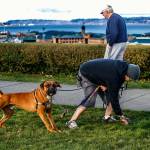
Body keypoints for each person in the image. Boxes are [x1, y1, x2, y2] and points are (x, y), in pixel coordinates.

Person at [66, 58, 140, 129]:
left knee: (114, 97)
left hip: (97, 75)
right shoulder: (115, 76)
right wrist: (121, 115)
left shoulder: (121, 70)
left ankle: (107, 117)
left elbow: (112, 89)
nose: (130, 80)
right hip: (86, 73)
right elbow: (113, 97)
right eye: (130, 78)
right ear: (127, 74)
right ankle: (71, 121)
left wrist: (103, 83)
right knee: (90, 100)